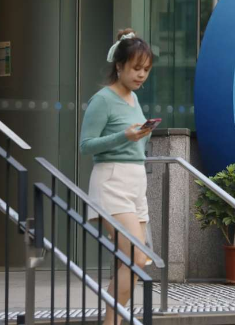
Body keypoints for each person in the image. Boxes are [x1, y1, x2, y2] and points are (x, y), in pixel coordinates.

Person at [79, 28, 153, 325]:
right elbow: (86, 145)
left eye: (146, 69)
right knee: (136, 258)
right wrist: (124, 136)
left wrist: (139, 135)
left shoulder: (133, 99)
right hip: (112, 180)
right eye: (136, 68)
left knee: (135, 263)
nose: (141, 75)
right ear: (119, 66)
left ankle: (112, 321)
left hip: (136, 182)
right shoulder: (103, 99)